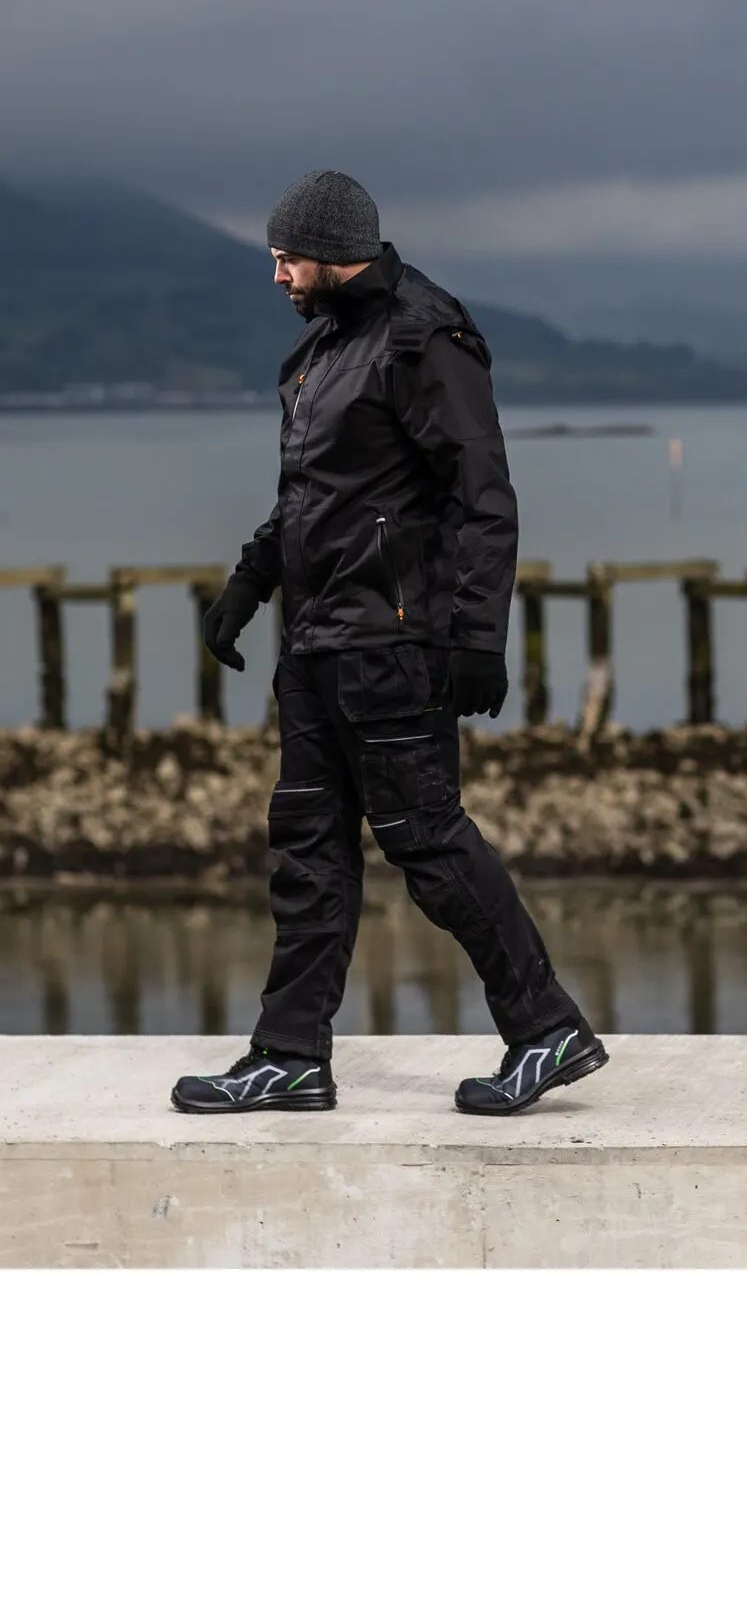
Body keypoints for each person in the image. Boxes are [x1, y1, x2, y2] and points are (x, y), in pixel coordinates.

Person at [172, 170, 607, 1117]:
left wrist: (477, 638)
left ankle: (548, 1030)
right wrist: (249, 583)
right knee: (307, 855)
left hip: (394, 645)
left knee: (430, 844)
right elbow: (312, 498)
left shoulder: (423, 339)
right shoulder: (322, 347)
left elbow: (483, 499)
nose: (278, 277)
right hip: (317, 643)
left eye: (287, 259)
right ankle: (290, 1056)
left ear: (333, 253)